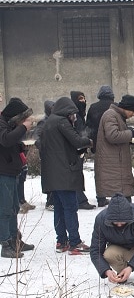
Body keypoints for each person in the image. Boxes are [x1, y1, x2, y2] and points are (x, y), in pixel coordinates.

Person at [40, 97, 93, 255]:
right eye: (73, 114)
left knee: (59, 209)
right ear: (67, 112)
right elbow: (77, 141)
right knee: (70, 208)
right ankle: (75, 242)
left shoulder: (48, 122)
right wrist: (89, 141)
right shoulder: (62, 122)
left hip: (52, 173)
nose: (74, 117)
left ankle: (61, 241)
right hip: (64, 173)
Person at [0, 98, 35, 258]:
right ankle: (5, 244)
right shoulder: (1, 122)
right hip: (3, 172)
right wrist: (22, 128)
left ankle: (15, 240)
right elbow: (5, 140)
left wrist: (21, 146)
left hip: (11, 171)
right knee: (5, 209)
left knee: (13, 207)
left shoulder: (6, 123)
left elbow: (9, 142)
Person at [94, 95, 134, 206]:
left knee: (124, 203)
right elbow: (112, 136)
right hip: (113, 167)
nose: (133, 114)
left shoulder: (117, 116)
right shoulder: (111, 115)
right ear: (126, 108)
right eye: (133, 111)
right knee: (122, 206)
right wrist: (132, 133)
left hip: (118, 166)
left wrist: (132, 138)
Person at [70, 90, 96, 210]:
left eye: (84, 98)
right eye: (80, 99)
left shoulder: (80, 114)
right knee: (76, 174)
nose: (83, 101)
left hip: (80, 147)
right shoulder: (74, 115)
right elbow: (78, 131)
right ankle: (80, 199)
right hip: (76, 149)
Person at [34, 100, 55, 211]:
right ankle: (50, 201)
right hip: (48, 155)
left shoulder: (55, 120)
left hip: (54, 154)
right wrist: (44, 148)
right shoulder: (44, 122)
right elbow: (36, 137)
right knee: (50, 177)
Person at [86, 85, 115, 155]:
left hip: (97, 141)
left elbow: (88, 125)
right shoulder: (116, 106)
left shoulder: (93, 107)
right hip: (113, 142)